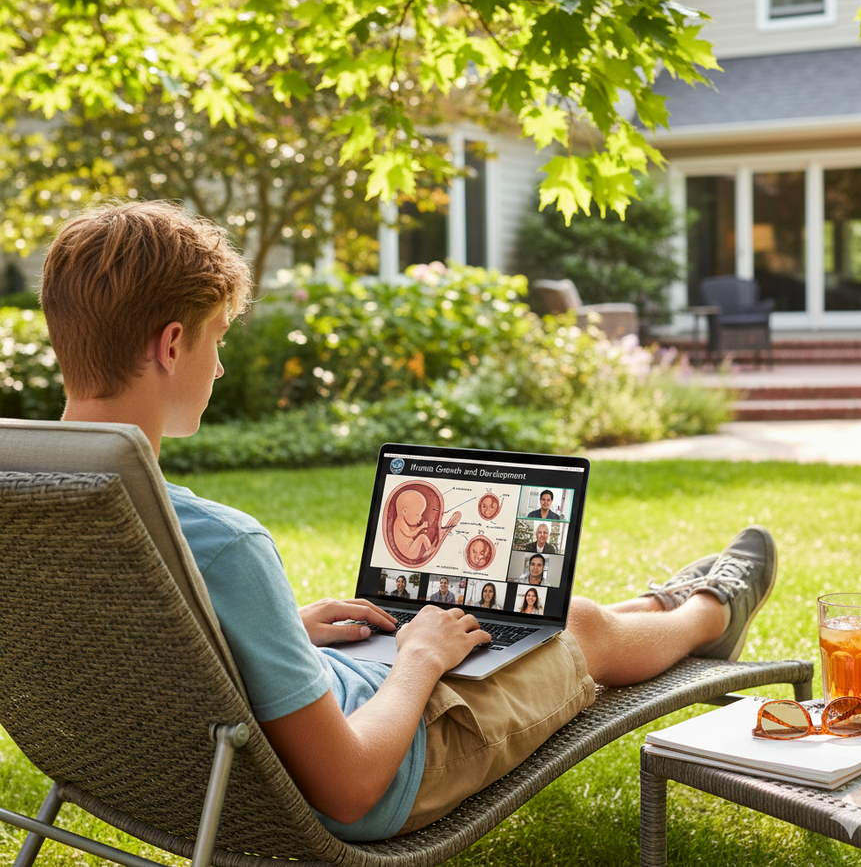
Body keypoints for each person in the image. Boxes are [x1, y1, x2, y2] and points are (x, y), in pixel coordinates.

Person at [41, 200, 779, 842]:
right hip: (376, 770)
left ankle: (659, 602)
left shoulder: (31, 498)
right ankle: (709, 612)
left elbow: (131, 650)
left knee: (503, 623)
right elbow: (350, 787)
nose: (221, 367)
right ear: (173, 345)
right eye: (219, 341)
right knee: (574, 625)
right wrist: (421, 659)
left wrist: (278, 632)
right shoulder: (224, 545)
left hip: (189, 773)